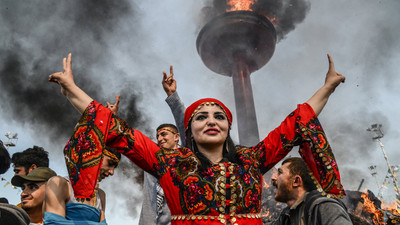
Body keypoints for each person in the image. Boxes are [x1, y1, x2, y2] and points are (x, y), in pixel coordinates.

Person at [49, 53, 346, 225]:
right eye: (201, 117)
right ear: (188, 130)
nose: (211, 121)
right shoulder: (169, 162)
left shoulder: (251, 160)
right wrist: (72, 89)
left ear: (228, 127)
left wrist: (329, 86)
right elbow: (111, 125)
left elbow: (296, 123)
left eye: (219, 116)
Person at [42, 146, 121, 225]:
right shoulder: (59, 184)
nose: (112, 172)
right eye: (110, 163)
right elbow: (54, 223)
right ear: (92, 156)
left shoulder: (100, 195)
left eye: (114, 167)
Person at [272, 157, 352, 225]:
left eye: (280, 173)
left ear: (296, 181)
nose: (273, 178)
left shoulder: (325, 207)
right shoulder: (286, 216)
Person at [139, 124, 180, 225]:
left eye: (163, 134)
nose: (160, 139)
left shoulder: (189, 161)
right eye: (158, 136)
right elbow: (149, 202)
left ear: (176, 137)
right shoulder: (154, 163)